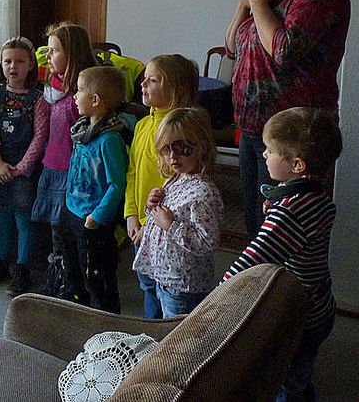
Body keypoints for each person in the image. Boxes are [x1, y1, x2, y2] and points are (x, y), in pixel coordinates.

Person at [225, 0, 350, 236]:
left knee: (284, 230)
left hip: (293, 134)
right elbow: (232, 48)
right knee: (256, 219)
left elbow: (285, 49)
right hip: (254, 128)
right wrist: (245, 7)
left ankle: (284, 288)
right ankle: (258, 286)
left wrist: (259, 6)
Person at [222, 107, 342, 402]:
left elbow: (254, 259)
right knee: (301, 370)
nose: (264, 154)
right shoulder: (314, 194)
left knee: (285, 381)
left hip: (297, 314)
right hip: (319, 303)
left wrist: (220, 292)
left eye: (270, 150)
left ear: (297, 165)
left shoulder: (290, 212)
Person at [132, 108, 223, 318]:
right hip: (165, 277)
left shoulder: (202, 193)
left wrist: (170, 225)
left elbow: (208, 242)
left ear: (201, 147)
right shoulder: (176, 178)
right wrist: (152, 206)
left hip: (183, 286)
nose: (173, 156)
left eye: (182, 148)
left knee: (178, 339)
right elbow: (164, 215)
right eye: (166, 149)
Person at [0, 37, 48, 295]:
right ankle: (0, 262)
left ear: (31, 65)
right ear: (1, 65)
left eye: (19, 61)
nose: (13, 66)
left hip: (23, 169)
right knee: (1, 218)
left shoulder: (38, 100)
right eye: (7, 61)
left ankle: (22, 268)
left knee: (23, 219)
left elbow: (40, 137)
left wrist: (21, 167)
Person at [31, 22, 98, 297]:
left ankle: (72, 284)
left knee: (68, 236)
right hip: (53, 167)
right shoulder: (53, 89)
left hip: (72, 176)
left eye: (54, 50)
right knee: (55, 233)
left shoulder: (79, 99)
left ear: (72, 54)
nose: (48, 56)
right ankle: (60, 276)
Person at [58, 66, 128, 313]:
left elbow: (117, 184)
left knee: (96, 276)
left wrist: (96, 218)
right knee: (72, 267)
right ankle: (77, 307)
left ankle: (103, 318)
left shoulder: (109, 140)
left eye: (79, 91)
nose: (74, 96)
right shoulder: (82, 131)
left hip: (93, 221)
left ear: (95, 100)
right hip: (71, 212)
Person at [124, 54, 198, 254]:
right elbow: (132, 172)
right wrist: (131, 213)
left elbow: (178, 190)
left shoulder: (181, 134)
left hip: (165, 230)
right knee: (145, 283)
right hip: (139, 224)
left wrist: (149, 226)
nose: (143, 83)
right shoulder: (142, 125)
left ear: (177, 91)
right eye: (145, 78)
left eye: (153, 80)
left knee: (163, 284)